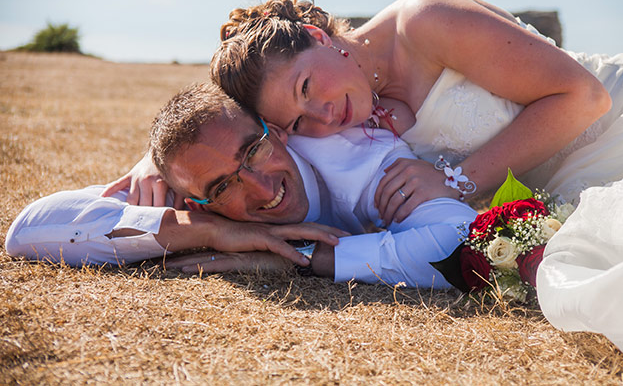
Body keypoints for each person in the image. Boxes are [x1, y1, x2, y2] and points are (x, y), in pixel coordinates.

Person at [208, 0, 623, 370]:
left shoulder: (423, 22)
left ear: (316, 36)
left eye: (306, 87)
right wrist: (155, 162)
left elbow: (584, 96)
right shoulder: (348, 109)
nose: (324, 117)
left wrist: (457, 179)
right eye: (299, 122)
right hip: (565, 181)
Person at [6, 82, 477, 288]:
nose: (258, 185)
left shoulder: (369, 162)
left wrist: (299, 258)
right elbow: (26, 231)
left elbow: (463, 248)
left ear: (275, 129)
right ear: (196, 197)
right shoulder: (192, 195)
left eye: (254, 150)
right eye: (224, 185)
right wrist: (209, 231)